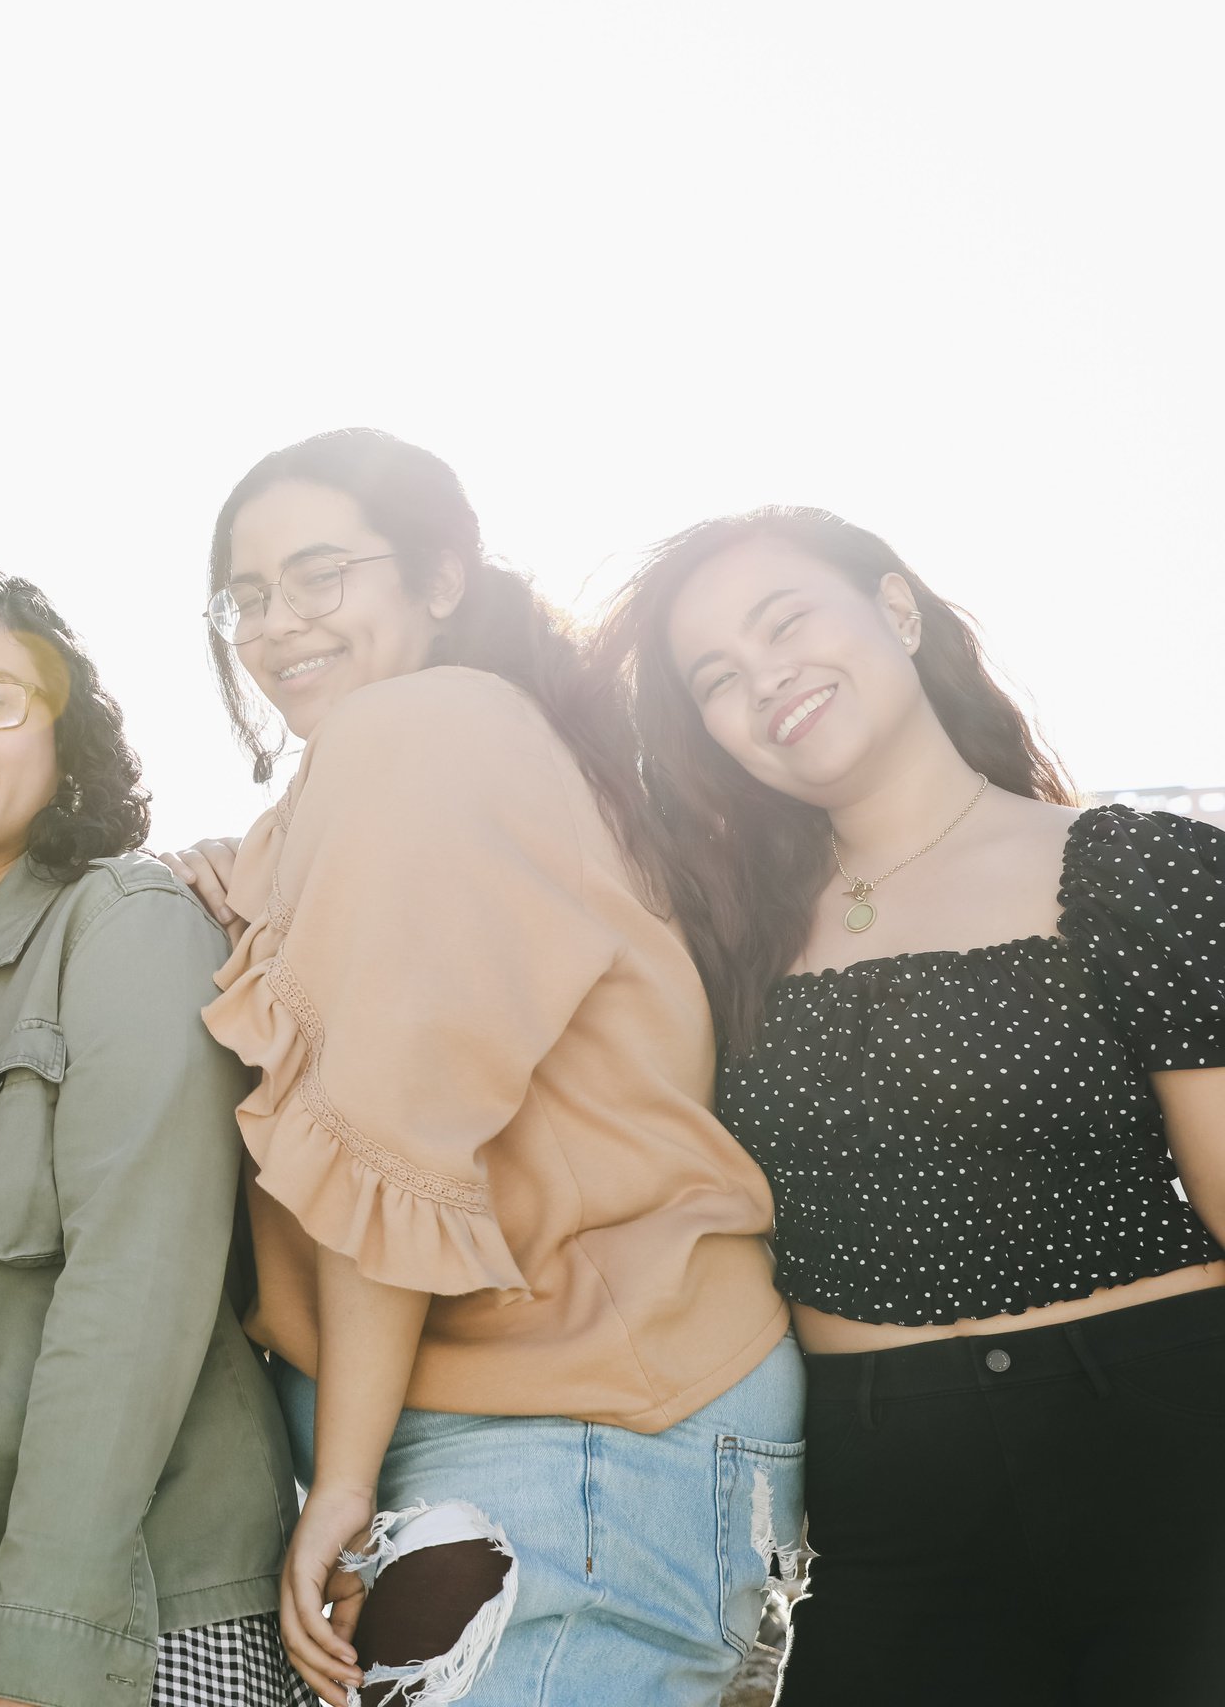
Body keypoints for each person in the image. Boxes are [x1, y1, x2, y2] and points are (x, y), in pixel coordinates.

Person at [182, 430, 800, 1705]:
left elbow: (386, 1132)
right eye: (246, 595)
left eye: (319, 575)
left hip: (566, 1432)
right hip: (585, 1429)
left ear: (440, 579)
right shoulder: (419, 752)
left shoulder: (432, 727)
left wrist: (343, 1482)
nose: (276, 622)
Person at [604, 505, 1225, 1705]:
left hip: (1172, 1453)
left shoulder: (1139, 866)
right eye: (717, 679)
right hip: (881, 1506)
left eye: (785, 621)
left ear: (896, 610)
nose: (765, 679)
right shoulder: (713, 943)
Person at [0, 563, 302, 1707]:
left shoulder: (127, 922)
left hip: (132, 1624)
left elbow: (132, 1291)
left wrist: (43, 1645)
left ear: (61, 734)